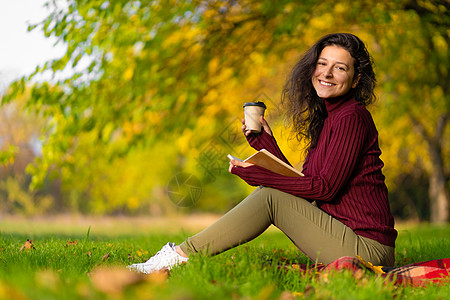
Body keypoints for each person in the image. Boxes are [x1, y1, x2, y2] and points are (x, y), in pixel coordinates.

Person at [127, 33, 397, 274]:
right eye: (322, 63)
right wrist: (266, 145)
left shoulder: (352, 117)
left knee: (269, 196)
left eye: (339, 68)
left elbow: (324, 190)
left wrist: (260, 177)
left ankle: (178, 257)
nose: (326, 73)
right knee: (271, 195)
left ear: (356, 79)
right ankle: (179, 256)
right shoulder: (330, 119)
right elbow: (307, 185)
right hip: (345, 236)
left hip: (367, 248)